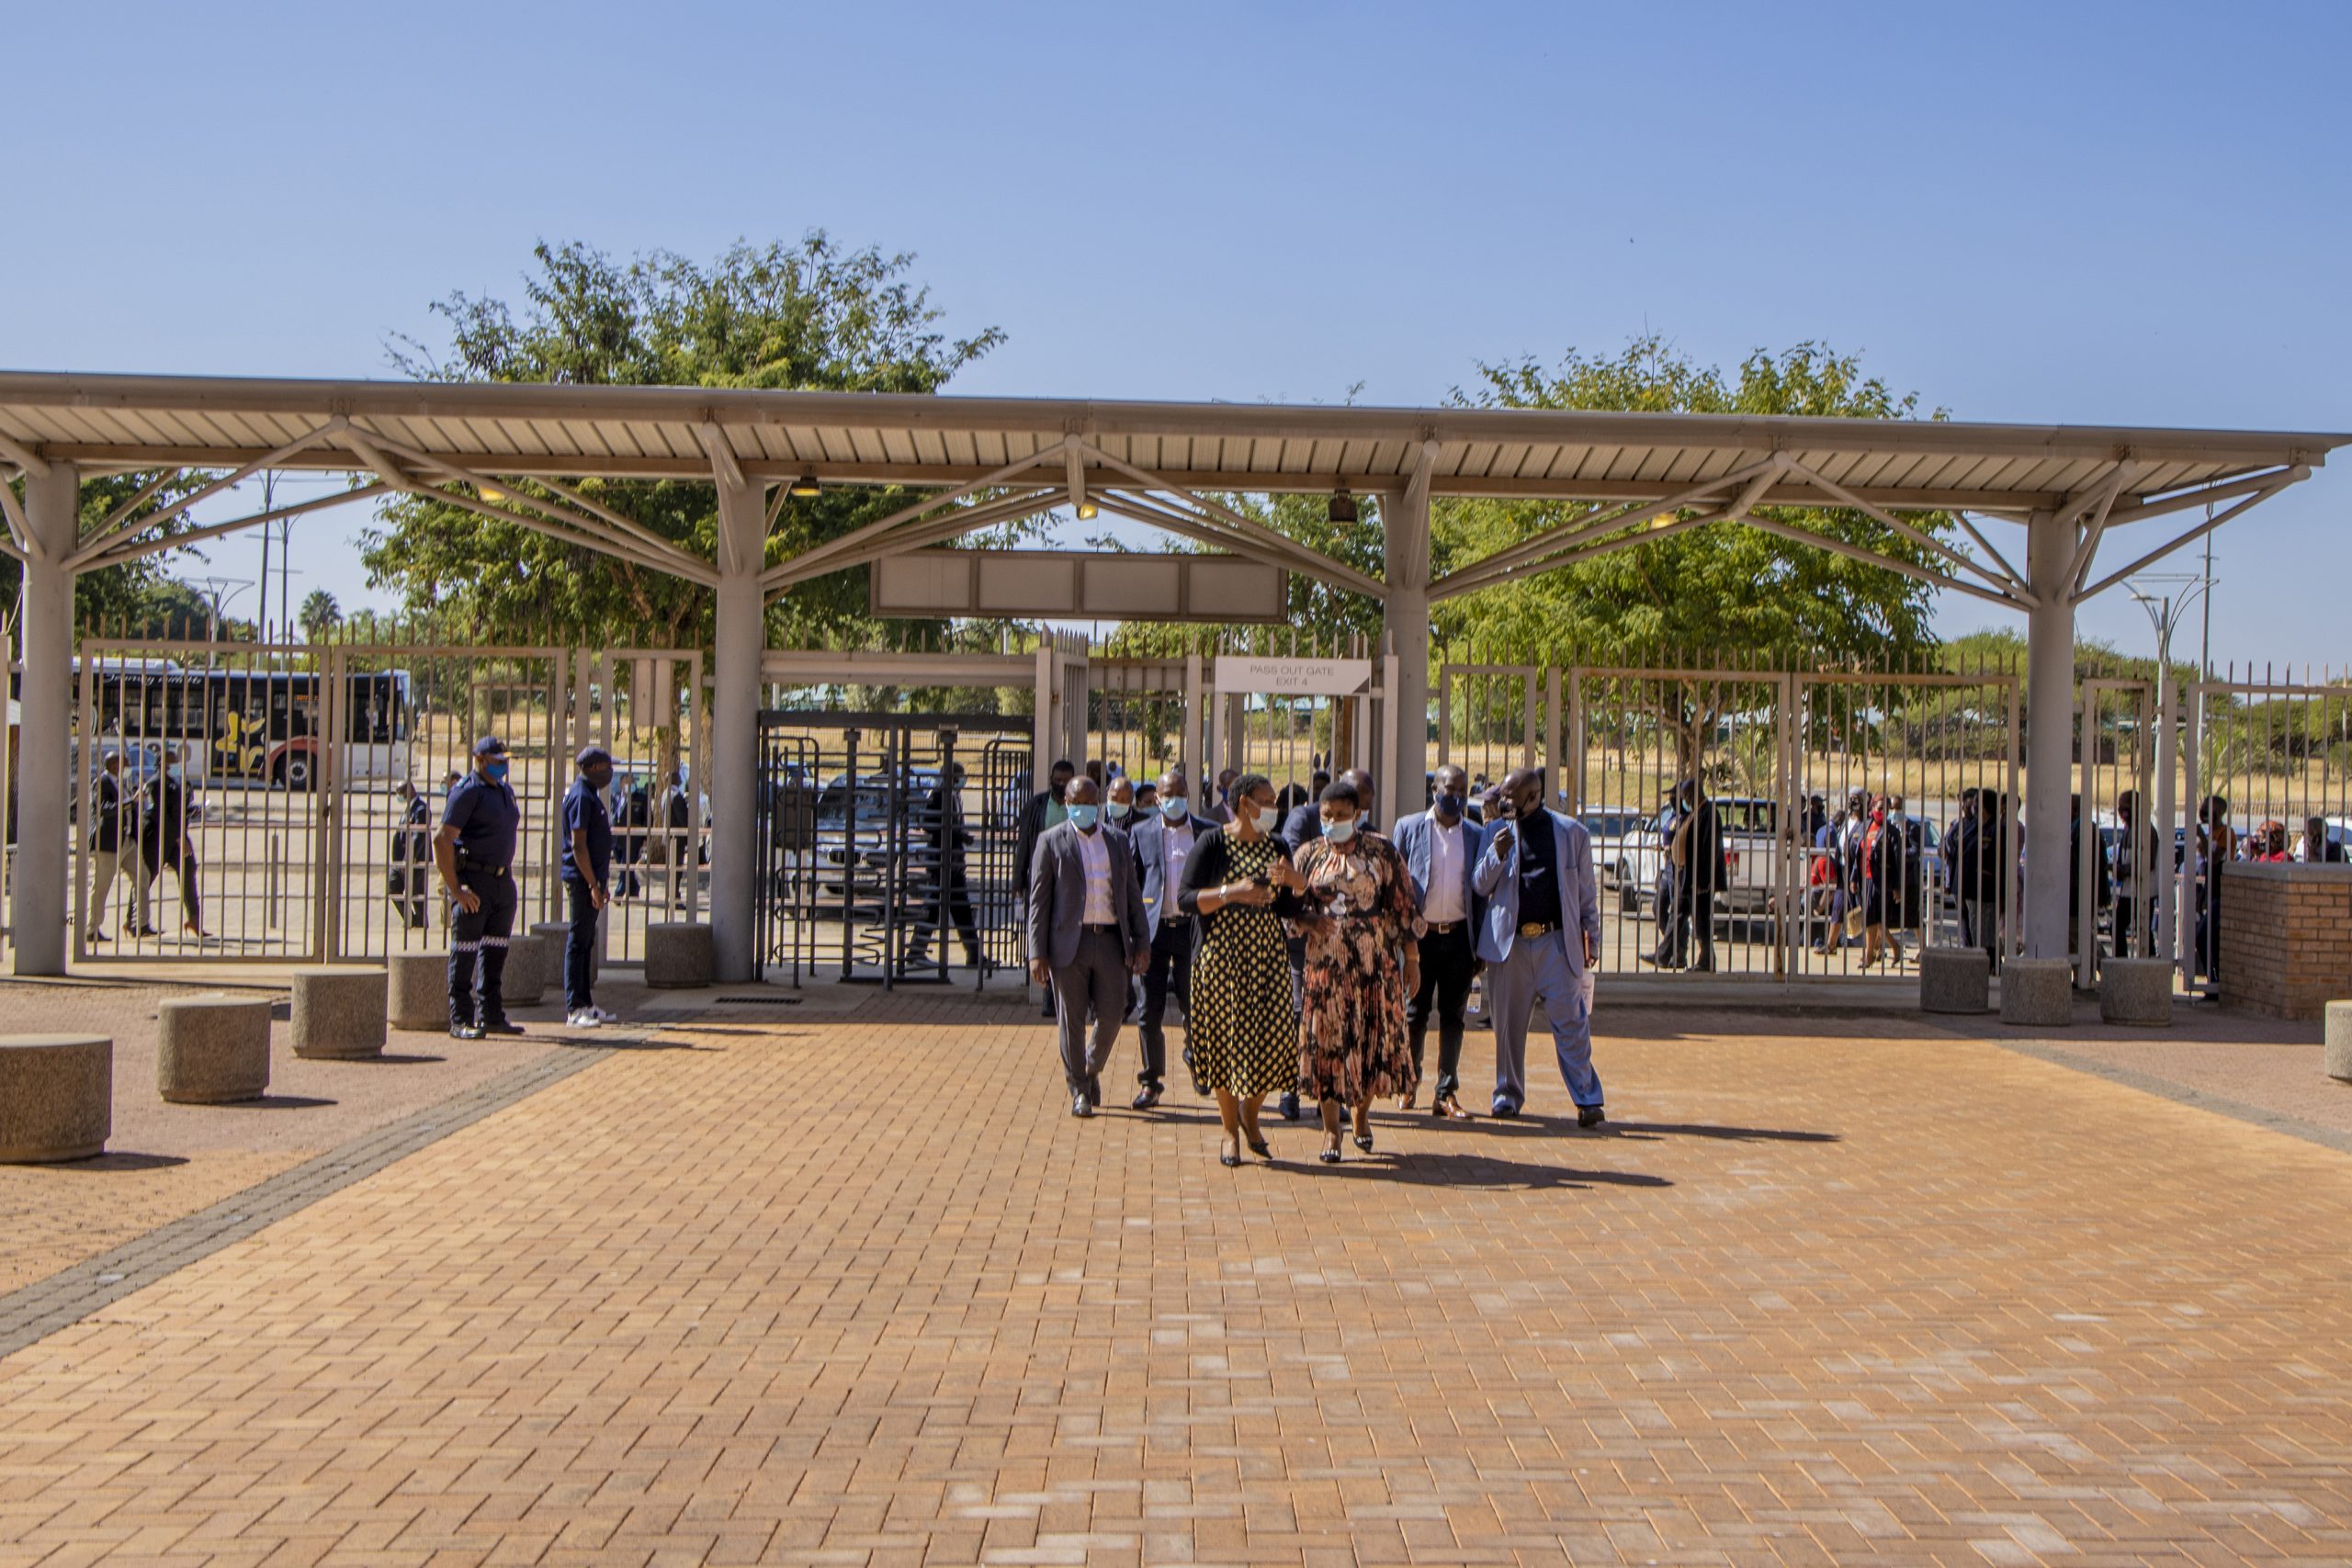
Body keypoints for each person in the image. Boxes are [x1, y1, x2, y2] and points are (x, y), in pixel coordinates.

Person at [1175, 773, 1307, 1167]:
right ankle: (1230, 1132)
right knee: (1226, 1046)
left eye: (1274, 802)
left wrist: (1298, 883)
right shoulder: (1212, 842)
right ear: (1244, 803)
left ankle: (1251, 1113)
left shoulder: (1277, 844)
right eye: (1267, 801)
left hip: (1267, 960)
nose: (1273, 808)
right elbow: (1185, 898)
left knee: (1275, 1042)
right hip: (1222, 961)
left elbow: (1287, 907)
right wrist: (1232, 893)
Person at [1291, 779, 1420, 1162]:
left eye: (1341, 815)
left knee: (1369, 1043)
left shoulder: (1382, 851)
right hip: (1325, 967)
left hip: (1372, 966)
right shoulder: (1309, 855)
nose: (1333, 822)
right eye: (1326, 815)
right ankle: (1332, 1131)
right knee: (1328, 1044)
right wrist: (1309, 918)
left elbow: (1402, 907)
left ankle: (1361, 1117)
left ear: (1358, 815)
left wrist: (1412, 959)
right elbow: (1289, 911)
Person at [1475, 767, 1604, 1125]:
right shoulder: (1494, 832)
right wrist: (1496, 854)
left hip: (1556, 945)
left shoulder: (1571, 833)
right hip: (1510, 945)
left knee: (1572, 1025)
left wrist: (1592, 939)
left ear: (1533, 797)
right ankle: (1507, 1095)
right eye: (1502, 796)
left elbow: (1587, 896)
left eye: (1511, 797)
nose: (1504, 803)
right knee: (1507, 1029)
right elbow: (1479, 885)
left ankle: (1587, 1099)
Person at [1025, 777, 1151, 1117]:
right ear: (1066, 803)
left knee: (1114, 1012)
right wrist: (1036, 952)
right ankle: (1079, 1089)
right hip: (1069, 943)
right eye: (1075, 802)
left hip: (1110, 940)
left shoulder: (1118, 840)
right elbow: (1039, 901)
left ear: (1098, 804)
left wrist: (1142, 941)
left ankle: (1090, 1067)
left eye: (1088, 802)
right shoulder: (1051, 841)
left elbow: (1132, 894)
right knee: (1071, 1020)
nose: (1082, 807)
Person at [1274, 766, 1377, 1120]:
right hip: (1307, 947)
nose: (1341, 819)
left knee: (1345, 1021)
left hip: (1354, 956)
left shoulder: (1372, 842)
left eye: (1359, 805)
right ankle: (1291, 1087)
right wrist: (1309, 915)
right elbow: (1292, 879)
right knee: (1301, 1015)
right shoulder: (1304, 824)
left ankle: (1333, 1094)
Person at [1394, 762, 1482, 1120]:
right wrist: (1400, 938)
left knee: (1454, 1017)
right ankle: (1408, 1081)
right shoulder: (1409, 827)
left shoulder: (1475, 834)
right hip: (1420, 938)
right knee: (1414, 1014)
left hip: (1459, 938)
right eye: (1449, 790)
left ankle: (1446, 1093)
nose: (1456, 797)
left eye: (1462, 791)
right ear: (1434, 790)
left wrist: (1480, 946)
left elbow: (1481, 892)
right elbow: (1396, 884)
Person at [436, 735, 524, 1041]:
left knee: (496, 950)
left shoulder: (504, 791)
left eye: (505, 761)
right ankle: (461, 1018)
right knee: (465, 952)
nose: (503, 766)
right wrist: (457, 890)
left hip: (502, 881)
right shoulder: (467, 792)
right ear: (479, 760)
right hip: (474, 881)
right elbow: (442, 839)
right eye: (497, 761)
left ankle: (492, 1014)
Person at [1129, 768, 1198, 1108]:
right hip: (1153, 934)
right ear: (1156, 799)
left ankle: (1197, 1057)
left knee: (1196, 1005)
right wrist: (1134, 938)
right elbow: (1131, 885)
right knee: (1149, 1011)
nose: (1174, 800)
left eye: (1180, 794)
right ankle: (1150, 1081)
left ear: (1188, 795)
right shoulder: (1141, 832)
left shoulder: (1206, 832)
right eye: (1168, 795)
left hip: (1192, 932)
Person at [560, 746, 617, 1028]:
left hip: (592, 880)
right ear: (593, 768)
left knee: (586, 942)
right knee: (578, 942)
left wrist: (601, 883)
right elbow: (578, 845)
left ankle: (586, 1003)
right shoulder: (581, 796)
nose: (610, 772)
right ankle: (575, 1008)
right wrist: (593, 883)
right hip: (582, 880)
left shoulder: (590, 795)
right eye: (607, 766)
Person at [1016, 759, 1079, 1015]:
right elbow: (1024, 843)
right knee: (1041, 934)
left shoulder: (1080, 806)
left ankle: (1068, 996)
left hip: (1072, 881)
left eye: (1066, 780)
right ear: (1051, 779)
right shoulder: (1037, 805)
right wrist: (1018, 881)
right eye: (1057, 779)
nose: (1061, 784)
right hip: (1042, 879)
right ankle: (1048, 998)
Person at [907, 762, 982, 972]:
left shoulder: (954, 796)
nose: (961, 781)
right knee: (934, 907)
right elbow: (931, 825)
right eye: (958, 777)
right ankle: (916, 952)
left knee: (961, 909)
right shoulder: (938, 796)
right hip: (940, 861)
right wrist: (959, 835)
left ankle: (974, 954)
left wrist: (959, 836)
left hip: (954, 862)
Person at [140, 744, 203, 938]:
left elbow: (176, 809)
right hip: (159, 838)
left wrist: (191, 811)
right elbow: (160, 814)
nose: (175, 764)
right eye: (171, 761)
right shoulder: (155, 783)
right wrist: (179, 837)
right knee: (146, 878)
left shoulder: (176, 782)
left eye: (176, 761)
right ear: (161, 763)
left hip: (177, 836)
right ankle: (135, 922)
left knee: (188, 870)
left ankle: (194, 919)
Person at [1661, 779, 1722, 971]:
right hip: (1687, 875)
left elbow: (1708, 848)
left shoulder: (1709, 813)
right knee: (1677, 914)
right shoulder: (1697, 812)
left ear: (1695, 794)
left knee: (1701, 920)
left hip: (1699, 879)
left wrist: (1702, 880)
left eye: (1687, 796)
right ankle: (1664, 954)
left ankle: (1706, 961)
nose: (1685, 801)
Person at [84, 751, 143, 942]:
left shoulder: (121, 783)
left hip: (126, 840)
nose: (123, 767)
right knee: (101, 886)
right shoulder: (102, 782)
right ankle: (92, 928)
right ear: (110, 765)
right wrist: (129, 803)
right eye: (119, 763)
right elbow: (102, 808)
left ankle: (140, 923)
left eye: (124, 763)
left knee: (143, 876)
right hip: (109, 842)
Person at [2110, 789, 2162, 959]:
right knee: (2124, 927)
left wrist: (2124, 870)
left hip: (2143, 890)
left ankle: (2145, 961)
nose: (2121, 811)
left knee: (2141, 930)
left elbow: (2147, 863)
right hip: (2129, 889)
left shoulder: (2146, 830)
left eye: (2125, 806)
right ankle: (2125, 962)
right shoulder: (2128, 829)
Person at [389, 779, 432, 931]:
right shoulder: (408, 809)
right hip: (400, 861)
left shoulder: (421, 809)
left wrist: (409, 856)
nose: (399, 796)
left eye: (400, 793)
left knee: (416, 894)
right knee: (393, 888)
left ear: (410, 791)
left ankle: (420, 924)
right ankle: (411, 920)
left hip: (415, 859)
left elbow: (419, 835)